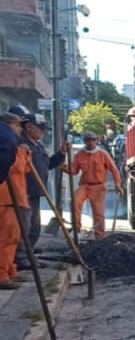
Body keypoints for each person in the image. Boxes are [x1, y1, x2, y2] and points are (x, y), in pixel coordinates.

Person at [7, 106, 66, 269]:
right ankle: (21, 259)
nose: (43, 131)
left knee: (34, 228)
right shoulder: (20, 144)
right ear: (28, 127)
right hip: (22, 192)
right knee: (23, 229)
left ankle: (28, 254)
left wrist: (60, 155)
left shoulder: (37, 146)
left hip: (35, 193)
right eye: (40, 128)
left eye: (44, 128)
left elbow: (47, 165)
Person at [69, 132, 124, 239]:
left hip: (99, 186)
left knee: (98, 212)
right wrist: (66, 168)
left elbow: (114, 170)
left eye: (93, 140)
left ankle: (99, 236)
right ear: (85, 141)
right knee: (75, 202)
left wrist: (118, 185)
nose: (91, 142)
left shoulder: (103, 154)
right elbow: (74, 170)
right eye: (88, 140)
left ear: (96, 141)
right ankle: (76, 231)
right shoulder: (79, 155)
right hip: (85, 185)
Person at [0, 113, 28, 289]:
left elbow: (24, 169)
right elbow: (14, 168)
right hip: (6, 199)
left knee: (13, 239)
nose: (20, 129)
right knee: (6, 238)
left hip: (15, 198)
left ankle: (10, 271)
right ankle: (2, 275)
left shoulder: (15, 146)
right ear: (10, 124)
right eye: (18, 125)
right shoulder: (9, 145)